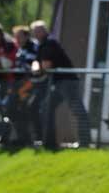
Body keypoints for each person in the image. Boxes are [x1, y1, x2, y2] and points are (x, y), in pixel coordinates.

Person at [30, 19, 91, 149]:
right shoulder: (41, 45)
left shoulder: (49, 43)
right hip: (58, 82)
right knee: (47, 108)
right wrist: (36, 67)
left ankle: (85, 142)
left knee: (78, 110)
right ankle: (49, 142)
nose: (36, 34)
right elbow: (36, 62)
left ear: (44, 31)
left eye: (38, 31)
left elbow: (46, 65)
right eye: (34, 32)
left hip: (67, 81)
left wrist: (37, 69)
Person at [11, 25, 42, 145]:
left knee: (30, 109)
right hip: (21, 85)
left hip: (31, 84)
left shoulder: (34, 47)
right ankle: (22, 137)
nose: (17, 39)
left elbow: (33, 64)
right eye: (16, 37)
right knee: (15, 109)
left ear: (26, 36)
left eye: (19, 37)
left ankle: (35, 138)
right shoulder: (20, 49)